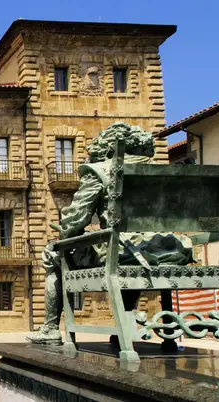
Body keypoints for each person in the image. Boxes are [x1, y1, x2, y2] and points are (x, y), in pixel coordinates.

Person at [26, 123, 194, 345]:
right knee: (129, 253)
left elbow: (74, 220)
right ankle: (124, 328)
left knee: (53, 254)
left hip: (124, 251)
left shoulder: (100, 170)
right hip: (171, 251)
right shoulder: (166, 173)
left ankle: (50, 329)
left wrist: (67, 231)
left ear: (107, 147)